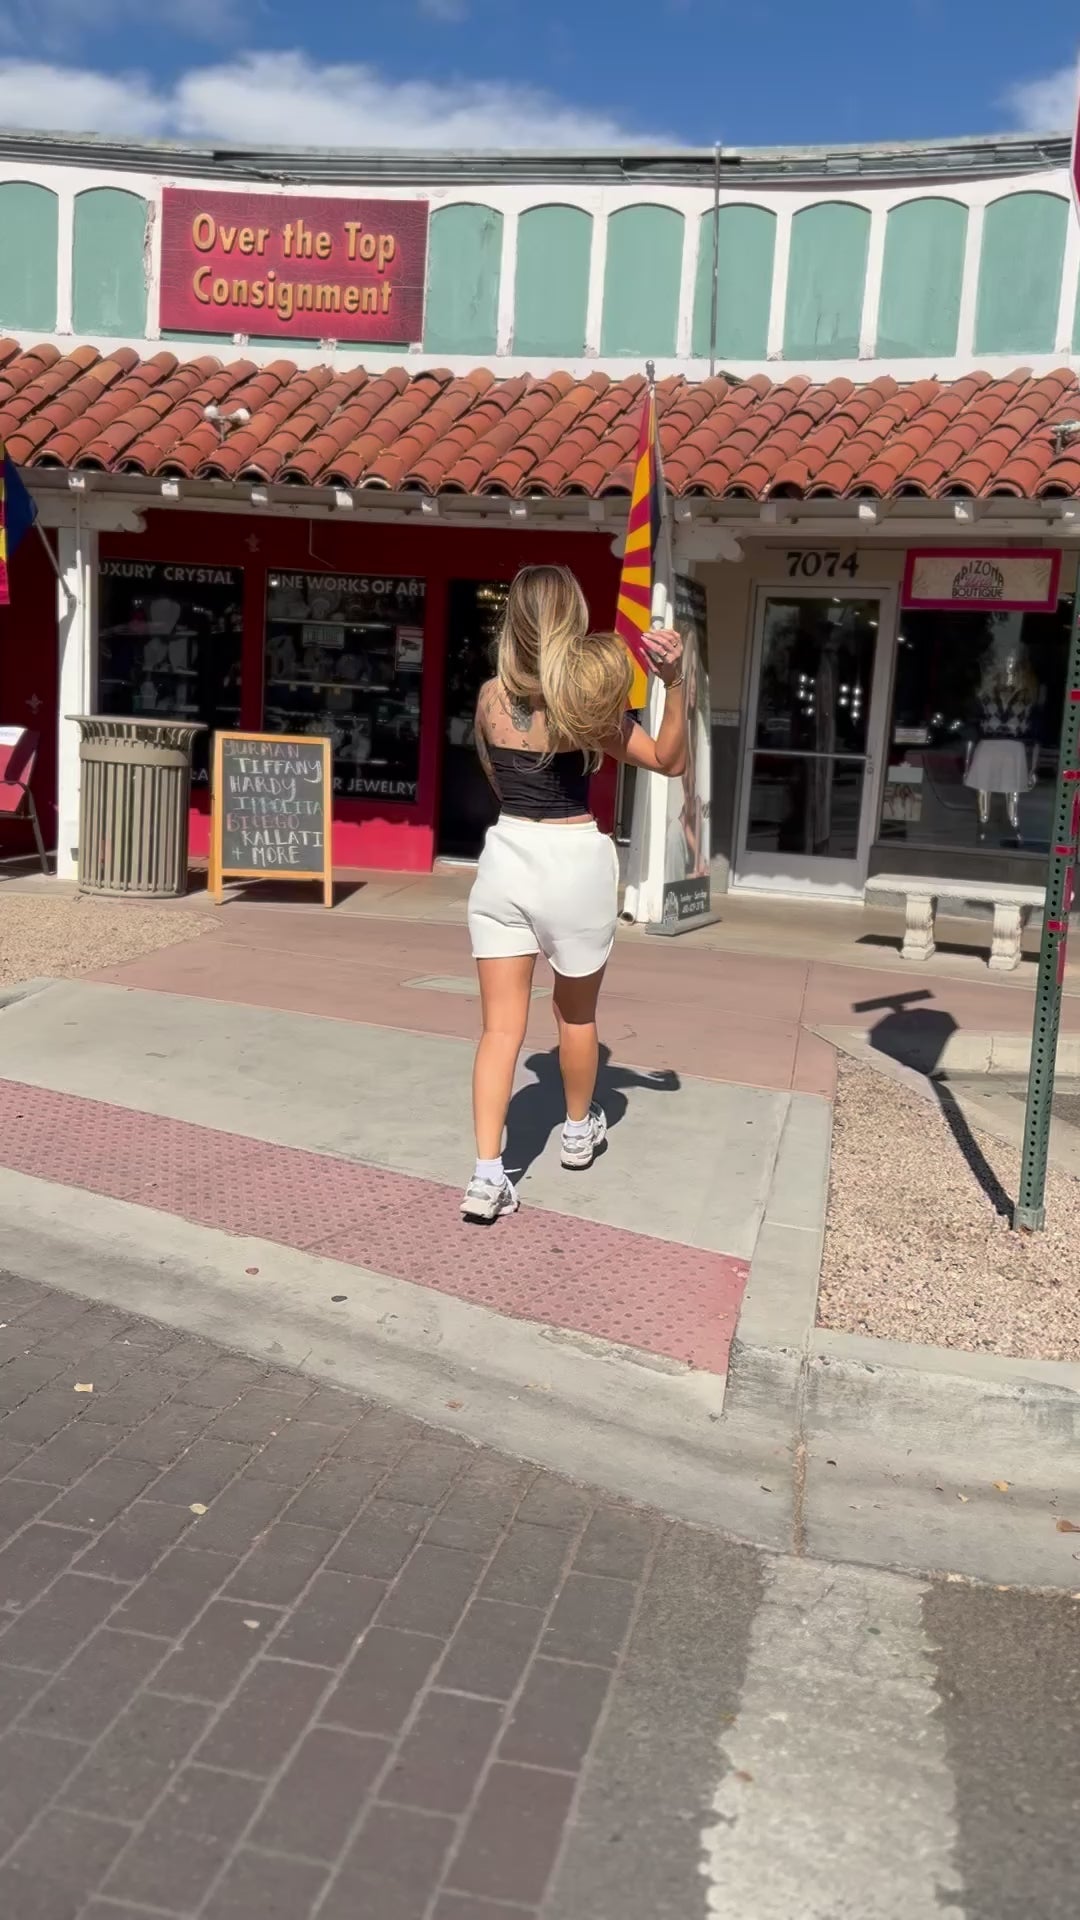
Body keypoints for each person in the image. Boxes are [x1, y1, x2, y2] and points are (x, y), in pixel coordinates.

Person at [461, 563, 687, 1223]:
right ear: (571, 617)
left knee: (499, 1029)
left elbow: (499, 780)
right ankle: (578, 1130)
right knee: (576, 1017)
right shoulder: (587, 701)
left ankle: (486, 1176)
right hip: (574, 861)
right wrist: (676, 683)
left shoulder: (489, 697)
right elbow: (668, 760)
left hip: (507, 856)